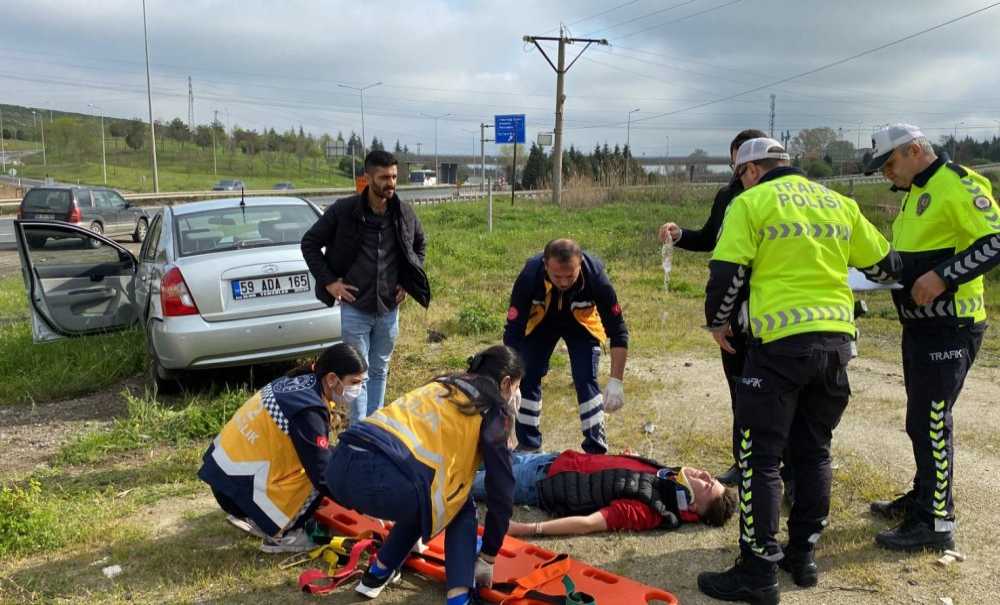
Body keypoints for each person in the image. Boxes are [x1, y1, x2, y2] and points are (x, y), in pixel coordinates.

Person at [697, 138, 899, 604]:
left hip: (779, 349)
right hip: (835, 346)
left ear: (750, 171)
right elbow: (884, 266)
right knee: (814, 453)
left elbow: (725, 274)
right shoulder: (839, 203)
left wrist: (718, 322)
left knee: (760, 458)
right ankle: (802, 556)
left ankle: (757, 570)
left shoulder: (751, 202)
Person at [864, 124, 1000, 552]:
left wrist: (944, 277)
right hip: (920, 325)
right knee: (919, 420)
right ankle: (924, 497)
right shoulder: (914, 195)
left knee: (931, 422)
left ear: (916, 150)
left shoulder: (957, 184)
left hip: (951, 324)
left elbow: (995, 240)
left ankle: (937, 522)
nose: (887, 173)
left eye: (890, 163)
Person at [324, 345, 521, 604]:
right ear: (506, 382)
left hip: (340, 464)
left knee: (427, 498)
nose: (516, 394)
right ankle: (459, 597)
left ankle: (377, 574)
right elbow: (501, 490)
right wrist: (488, 555)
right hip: (386, 480)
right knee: (458, 504)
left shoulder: (442, 383)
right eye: (517, 387)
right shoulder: (491, 408)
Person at [659, 128, 767, 487]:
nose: (740, 166)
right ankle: (744, 460)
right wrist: (680, 235)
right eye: (736, 158)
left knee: (773, 392)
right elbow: (710, 239)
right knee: (740, 389)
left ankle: (781, 467)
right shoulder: (727, 197)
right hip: (733, 309)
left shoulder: (773, 198)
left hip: (768, 305)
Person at [301, 149, 431, 425]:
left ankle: (377, 427)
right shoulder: (343, 211)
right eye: (384, 177)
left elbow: (420, 245)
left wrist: (407, 282)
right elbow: (309, 243)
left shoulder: (403, 213)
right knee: (356, 370)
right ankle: (358, 429)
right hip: (355, 307)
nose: (391, 183)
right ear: (368, 178)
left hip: (388, 308)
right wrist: (330, 282)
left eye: (394, 176)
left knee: (380, 369)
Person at [198, 343, 368, 553]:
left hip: (223, 477)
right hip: (238, 492)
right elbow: (323, 475)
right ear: (332, 379)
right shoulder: (309, 410)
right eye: (355, 382)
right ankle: (283, 535)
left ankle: (256, 514)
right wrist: (362, 503)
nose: (358, 389)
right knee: (324, 475)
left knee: (324, 457)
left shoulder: (299, 381)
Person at [503, 239, 628, 455]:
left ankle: (595, 449)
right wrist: (512, 379)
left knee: (585, 377)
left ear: (581, 263)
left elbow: (618, 331)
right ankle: (529, 444)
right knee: (528, 373)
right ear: (545, 265)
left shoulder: (596, 277)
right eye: (556, 276)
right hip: (542, 322)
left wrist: (616, 381)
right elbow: (513, 331)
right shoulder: (529, 276)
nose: (563, 282)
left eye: (570, 276)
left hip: (581, 324)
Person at [471, 450, 737, 535]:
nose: (704, 475)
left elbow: (589, 523)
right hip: (553, 458)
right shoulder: (667, 477)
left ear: (693, 507)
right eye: (710, 477)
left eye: (707, 484)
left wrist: (528, 529)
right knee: (468, 452)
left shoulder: (649, 510)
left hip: (538, 483)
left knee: (460, 481)